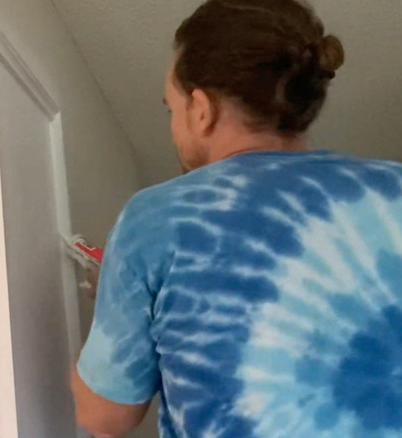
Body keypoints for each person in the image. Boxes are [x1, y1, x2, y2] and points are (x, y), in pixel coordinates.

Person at [71, 0, 402, 437]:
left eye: (172, 108)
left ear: (202, 109)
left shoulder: (153, 219)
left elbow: (104, 418)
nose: (174, 124)